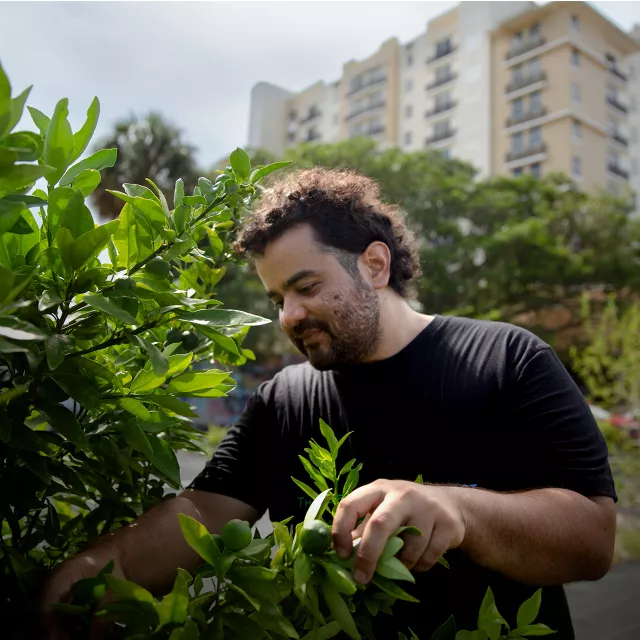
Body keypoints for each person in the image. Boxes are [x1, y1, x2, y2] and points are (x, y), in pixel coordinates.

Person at [41, 168, 617, 639]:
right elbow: (201, 513)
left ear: (373, 264)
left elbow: (592, 541)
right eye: (277, 297)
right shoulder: (282, 400)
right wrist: (92, 570)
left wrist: (459, 512)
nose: (288, 315)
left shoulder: (507, 357)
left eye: (307, 287)